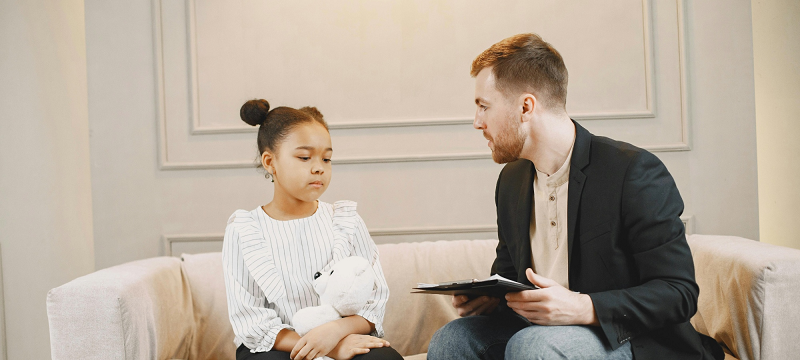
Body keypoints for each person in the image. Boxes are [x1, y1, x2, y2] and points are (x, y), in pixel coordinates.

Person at [427, 34, 724, 360]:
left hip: (628, 338)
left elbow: (678, 293)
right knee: (453, 339)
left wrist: (583, 306)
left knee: (534, 346)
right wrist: (491, 298)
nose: (477, 122)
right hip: (540, 333)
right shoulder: (511, 181)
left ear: (526, 107)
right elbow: (510, 273)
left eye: (484, 107)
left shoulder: (632, 172)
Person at [223, 99, 404, 360]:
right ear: (270, 162)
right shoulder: (244, 230)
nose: (319, 166)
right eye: (304, 157)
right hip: (276, 346)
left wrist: (336, 332)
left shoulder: (346, 221)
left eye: (327, 158)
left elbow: (374, 299)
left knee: (385, 359)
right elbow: (251, 320)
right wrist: (327, 348)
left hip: (341, 334)